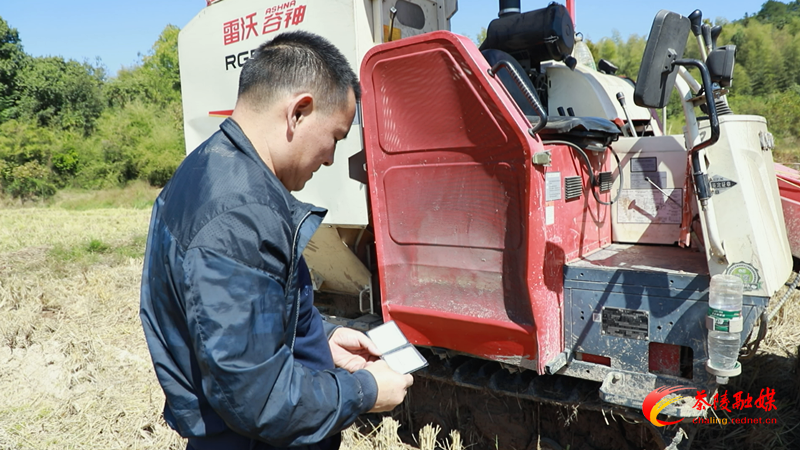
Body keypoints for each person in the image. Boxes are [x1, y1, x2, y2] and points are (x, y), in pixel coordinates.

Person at [139, 30, 413, 450]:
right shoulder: (240, 215)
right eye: (336, 138)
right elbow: (259, 399)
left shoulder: (211, 166)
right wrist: (366, 391)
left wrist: (321, 337)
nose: (330, 158)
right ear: (299, 111)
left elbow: (243, 318)